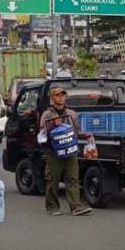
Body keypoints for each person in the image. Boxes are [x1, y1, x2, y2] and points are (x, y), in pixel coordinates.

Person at [38, 86, 93, 216]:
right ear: (52, 98)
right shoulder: (47, 115)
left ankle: (76, 207)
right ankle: (52, 207)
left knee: (73, 178)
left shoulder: (71, 114)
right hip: (54, 152)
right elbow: (42, 134)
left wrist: (87, 135)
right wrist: (53, 125)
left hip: (71, 150)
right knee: (53, 180)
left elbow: (77, 132)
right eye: (57, 95)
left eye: (62, 95)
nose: (61, 98)